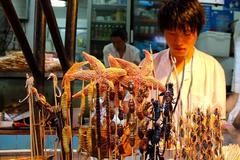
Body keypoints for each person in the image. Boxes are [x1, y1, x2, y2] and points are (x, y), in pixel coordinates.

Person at [152, 0, 226, 119]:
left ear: (197, 32)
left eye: (186, 34)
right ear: (163, 32)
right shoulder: (151, 64)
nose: (179, 42)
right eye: (172, 33)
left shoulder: (213, 68)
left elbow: (218, 119)